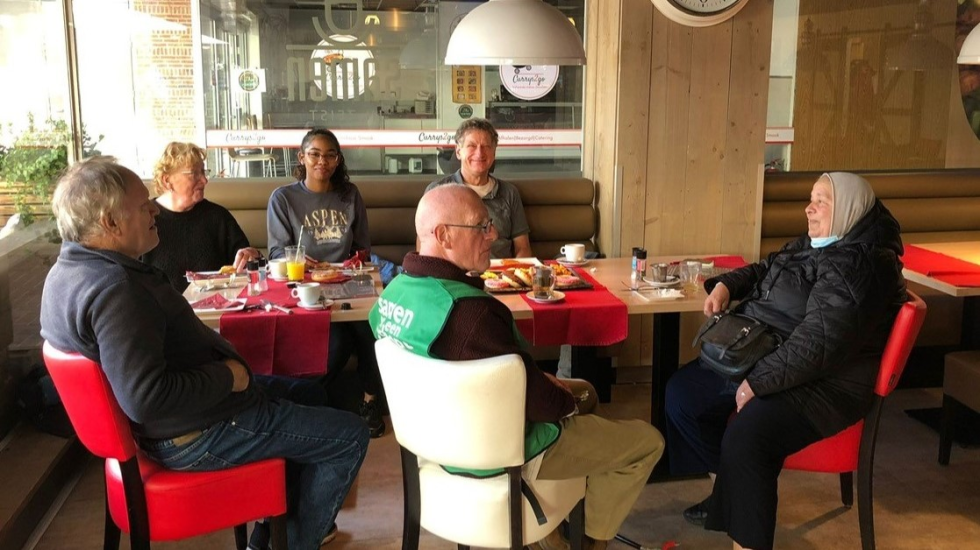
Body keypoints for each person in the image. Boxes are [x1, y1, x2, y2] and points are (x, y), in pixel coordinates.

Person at [40, 156, 369, 550]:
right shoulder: (116, 291)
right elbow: (146, 398)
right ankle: (298, 542)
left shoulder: (69, 271)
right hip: (193, 433)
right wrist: (230, 376)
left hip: (183, 422)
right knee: (350, 435)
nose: (153, 212)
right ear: (110, 222)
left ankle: (271, 533)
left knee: (312, 394)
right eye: (144, 205)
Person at [370, 185, 664, 550]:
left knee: (584, 392)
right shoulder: (471, 313)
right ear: (443, 235)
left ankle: (553, 533)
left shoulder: (394, 294)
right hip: (500, 454)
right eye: (480, 226)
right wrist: (563, 399)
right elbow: (541, 405)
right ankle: (588, 544)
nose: (492, 236)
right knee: (646, 441)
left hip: (434, 443)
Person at [665, 172, 907, 550]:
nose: (809, 208)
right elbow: (769, 268)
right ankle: (727, 491)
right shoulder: (821, 242)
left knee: (747, 438)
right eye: (811, 198)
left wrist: (757, 382)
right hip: (775, 353)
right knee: (682, 395)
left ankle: (746, 537)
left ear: (849, 209)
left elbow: (819, 344)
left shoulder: (864, 265)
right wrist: (728, 284)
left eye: (822, 201)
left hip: (826, 384)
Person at [267, 128, 385, 438]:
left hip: (347, 283)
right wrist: (305, 263)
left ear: (338, 159)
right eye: (315, 153)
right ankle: (309, 405)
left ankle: (370, 402)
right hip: (305, 287)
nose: (323, 160)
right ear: (301, 157)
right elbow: (279, 253)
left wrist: (355, 260)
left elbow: (363, 248)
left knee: (373, 329)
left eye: (330, 154)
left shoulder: (350, 195)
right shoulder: (283, 198)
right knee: (336, 346)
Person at [141, 142, 260, 291]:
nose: (204, 180)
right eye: (194, 174)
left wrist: (253, 256)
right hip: (160, 313)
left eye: (203, 172)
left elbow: (251, 266)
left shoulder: (218, 217)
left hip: (215, 310)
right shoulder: (145, 221)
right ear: (167, 180)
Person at [425, 118, 532, 259]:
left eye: (486, 146)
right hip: (453, 277)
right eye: (472, 146)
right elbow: (425, 245)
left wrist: (513, 276)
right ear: (458, 151)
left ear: (494, 153)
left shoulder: (509, 193)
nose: (479, 153)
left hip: (499, 275)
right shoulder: (437, 191)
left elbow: (522, 247)